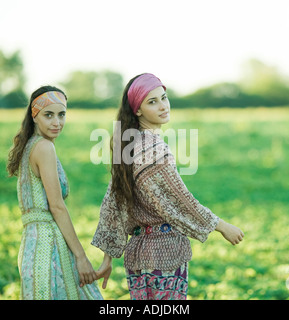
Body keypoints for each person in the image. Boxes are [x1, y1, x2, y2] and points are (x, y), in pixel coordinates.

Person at [92, 73, 244, 300]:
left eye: (164, 97)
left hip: (137, 256)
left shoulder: (130, 146)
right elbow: (180, 200)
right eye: (152, 102)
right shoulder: (154, 148)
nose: (163, 106)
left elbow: (113, 204)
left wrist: (107, 259)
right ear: (138, 110)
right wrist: (221, 226)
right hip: (165, 255)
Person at [7, 85, 102, 300]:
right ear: (35, 116)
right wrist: (81, 256)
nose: (57, 122)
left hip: (31, 245)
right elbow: (57, 206)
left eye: (61, 115)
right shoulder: (44, 147)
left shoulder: (29, 146)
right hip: (49, 246)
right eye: (48, 115)